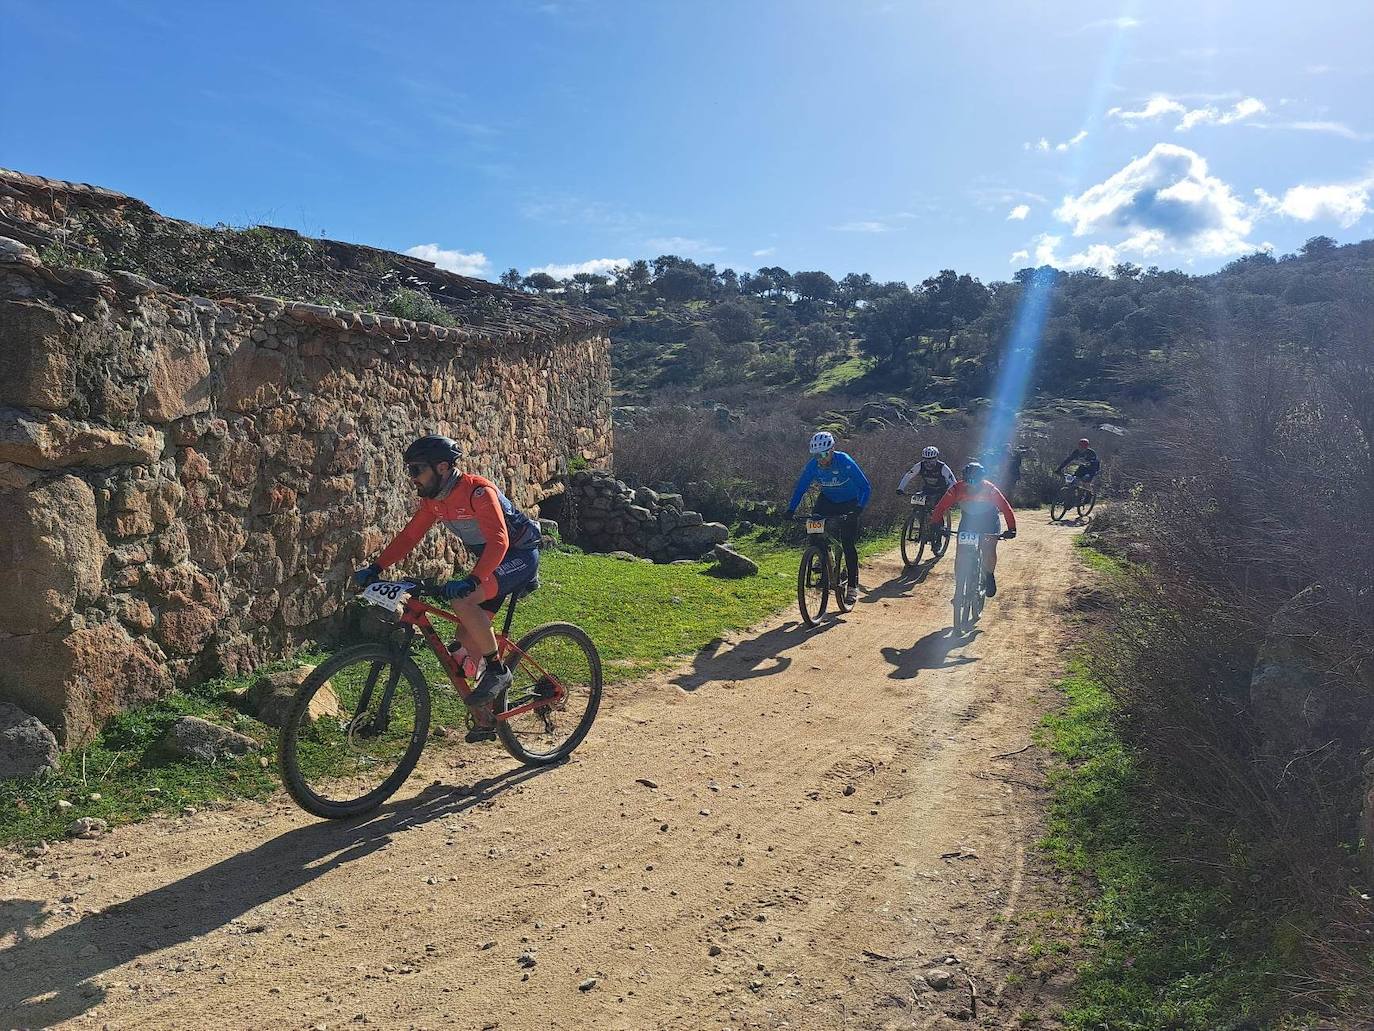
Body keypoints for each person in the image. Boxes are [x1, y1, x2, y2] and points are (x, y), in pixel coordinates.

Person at [353, 434, 542, 742]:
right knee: (465, 638)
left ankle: (497, 671)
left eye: (416, 470)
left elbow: (499, 541)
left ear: (441, 468)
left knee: (464, 602)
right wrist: (376, 567)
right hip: (492, 562)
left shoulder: (477, 492)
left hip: (518, 556)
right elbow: (409, 537)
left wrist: (472, 580)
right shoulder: (434, 502)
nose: (411, 477)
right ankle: (487, 712)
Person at [785, 431, 871, 605]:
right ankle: (821, 555)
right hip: (828, 501)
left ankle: (853, 587)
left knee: (847, 543)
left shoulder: (845, 462)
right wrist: (790, 509)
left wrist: (858, 509)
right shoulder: (813, 466)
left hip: (849, 502)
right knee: (814, 528)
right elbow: (800, 488)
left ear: (832, 450)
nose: (821, 459)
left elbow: (865, 487)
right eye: (817, 455)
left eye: (824, 454)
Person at [928, 461, 1017, 597]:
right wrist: (935, 524)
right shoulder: (956, 488)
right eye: (968, 481)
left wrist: (1011, 528)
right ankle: (959, 584)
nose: (971, 484)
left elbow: (1005, 507)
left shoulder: (990, 489)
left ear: (982, 480)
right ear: (964, 479)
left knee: (988, 549)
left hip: (989, 521)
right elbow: (940, 507)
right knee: (961, 553)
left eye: (975, 481)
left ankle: (989, 575)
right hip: (969, 520)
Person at [897, 445, 956, 541]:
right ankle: (922, 524)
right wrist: (900, 488)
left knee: (938, 509)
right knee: (917, 505)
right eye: (926, 459)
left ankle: (938, 536)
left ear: (936, 458)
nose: (929, 462)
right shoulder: (920, 465)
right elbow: (908, 476)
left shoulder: (943, 467)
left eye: (932, 459)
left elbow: (953, 482)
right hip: (928, 489)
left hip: (941, 491)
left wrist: (948, 493)